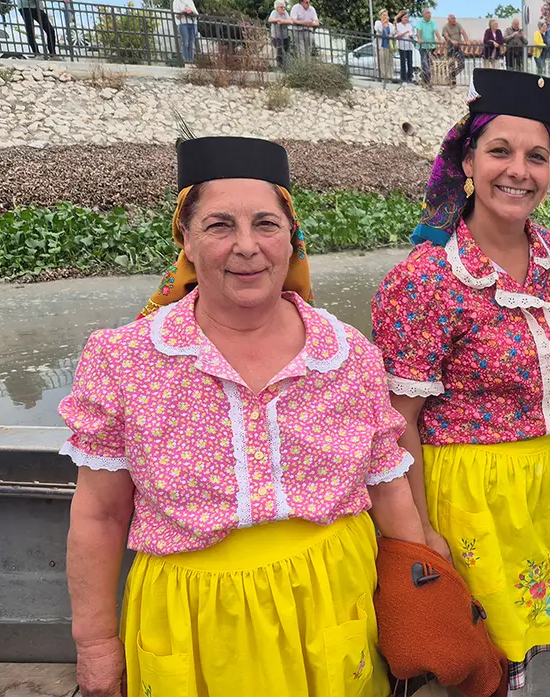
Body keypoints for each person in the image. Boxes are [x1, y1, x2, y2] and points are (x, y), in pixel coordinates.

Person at [64, 136, 508, 697]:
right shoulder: (124, 360)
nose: (247, 247)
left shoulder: (345, 354)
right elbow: (100, 517)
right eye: (220, 226)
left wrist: (426, 595)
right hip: (194, 622)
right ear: (186, 241)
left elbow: (390, 489)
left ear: (291, 237)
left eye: (267, 225)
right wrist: (97, 646)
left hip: (334, 605)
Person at [371, 69, 550, 697]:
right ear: (467, 159)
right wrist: (418, 529)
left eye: (536, 157)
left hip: (548, 486)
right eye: (500, 151)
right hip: (469, 493)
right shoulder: (426, 280)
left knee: (526, 650)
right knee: (474, 653)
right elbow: (396, 420)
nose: (519, 171)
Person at [414, 8, 438, 85]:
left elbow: (436, 31)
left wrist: (440, 39)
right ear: (424, 15)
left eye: (430, 13)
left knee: (428, 64)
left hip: (431, 46)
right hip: (423, 46)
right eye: (428, 13)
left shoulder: (433, 22)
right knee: (425, 63)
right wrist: (419, 38)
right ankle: (428, 82)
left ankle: (424, 78)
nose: (429, 14)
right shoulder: (420, 22)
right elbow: (419, 31)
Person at [266, 0, 290, 68]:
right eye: (281, 7)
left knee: (286, 50)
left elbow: (290, 20)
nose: (283, 9)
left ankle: (285, 66)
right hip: (276, 36)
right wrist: (278, 20)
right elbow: (270, 20)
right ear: (277, 8)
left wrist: (282, 21)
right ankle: (280, 66)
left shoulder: (285, 13)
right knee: (280, 50)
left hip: (285, 36)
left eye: (284, 7)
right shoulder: (274, 12)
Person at [394, 10, 414, 83]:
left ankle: (410, 78)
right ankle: (403, 79)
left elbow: (412, 35)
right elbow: (397, 36)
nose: (406, 19)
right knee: (403, 63)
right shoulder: (398, 25)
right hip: (402, 46)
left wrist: (411, 36)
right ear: (401, 18)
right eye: (405, 17)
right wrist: (405, 32)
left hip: (409, 46)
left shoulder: (409, 25)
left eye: (407, 17)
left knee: (410, 62)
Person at [374, 8, 394, 81]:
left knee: (390, 62)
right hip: (381, 45)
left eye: (386, 15)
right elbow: (377, 30)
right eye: (384, 15)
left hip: (389, 45)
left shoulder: (390, 25)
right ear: (381, 16)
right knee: (382, 62)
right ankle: (383, 78)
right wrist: (383, 24)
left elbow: (393, 33)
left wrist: (395, 26)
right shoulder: (378, 23)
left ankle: (390, 77)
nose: (385, 16)